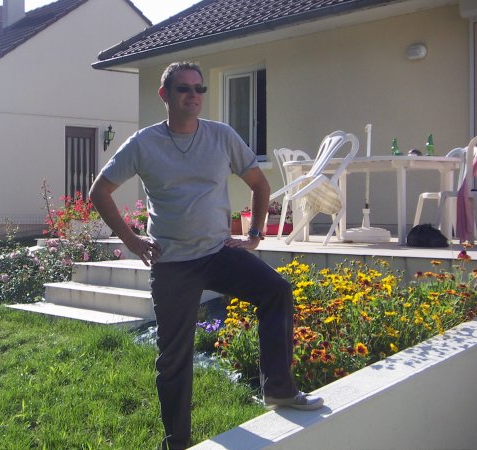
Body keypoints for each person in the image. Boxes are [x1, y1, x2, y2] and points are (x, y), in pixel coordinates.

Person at [89, 61, 323, 450]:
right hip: (172, 263)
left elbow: (260, 184)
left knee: (276, 291)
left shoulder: (221, 136)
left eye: (199, 89)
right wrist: (131, 240)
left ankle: (280, 389)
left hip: (218, 253)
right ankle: (177, 442)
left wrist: (254, 235)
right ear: (165, 95)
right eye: (184, 88)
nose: (193, 95)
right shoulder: (144, 144)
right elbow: (99, 191)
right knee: (174, 357)